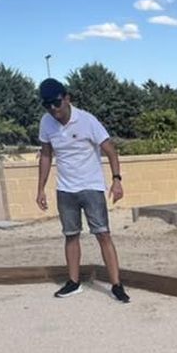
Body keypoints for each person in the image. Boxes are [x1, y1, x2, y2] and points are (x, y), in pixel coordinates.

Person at [36, 78, 129, 302]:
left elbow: (110, 150)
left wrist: (116, 180)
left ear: (67, 98)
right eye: (47, 105)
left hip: (91, 186)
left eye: (56, 103)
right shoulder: (46, 123)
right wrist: (40, 189)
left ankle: (116, 285)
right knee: (70, 235)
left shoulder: (87, 120)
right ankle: (73, 282)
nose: (52, 109)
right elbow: (46, 155)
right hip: (65, 189)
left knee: (103, 234)